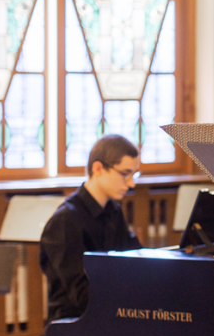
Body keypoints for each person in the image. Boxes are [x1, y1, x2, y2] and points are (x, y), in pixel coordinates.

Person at [40, 135, 143, 323]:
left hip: (110, 314)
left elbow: (136, 257)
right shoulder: (65, 220)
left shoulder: (113, 210)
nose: (131, 183)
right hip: (73, 324)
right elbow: (81, 295)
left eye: (134, 175)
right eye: (125, 173)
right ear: (98, 169)